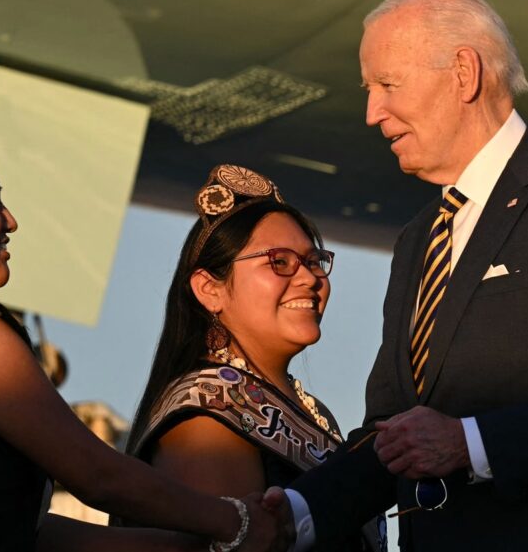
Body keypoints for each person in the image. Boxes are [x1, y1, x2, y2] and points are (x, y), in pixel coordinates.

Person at [280, 0, 528, 551]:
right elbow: (392, 433)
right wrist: (291, 513)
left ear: (464, 72)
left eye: (387, 85)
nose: (372, 112)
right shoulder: (419, 238)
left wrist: (470, 442)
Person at [0, 89, 282, 552]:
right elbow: (97, 475)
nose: (10, 220)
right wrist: (236, 522)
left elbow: (21, 532)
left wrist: (190, 544)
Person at [116, 164, 384, 551]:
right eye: (280, 262)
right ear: (210, 289)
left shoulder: (311, 412)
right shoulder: (206, 419)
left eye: (313, 261)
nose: (310, 278)